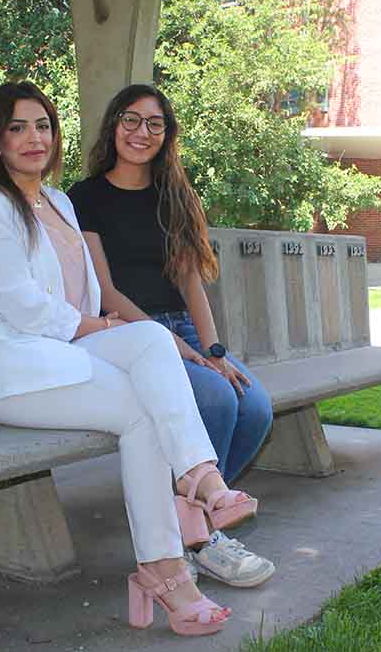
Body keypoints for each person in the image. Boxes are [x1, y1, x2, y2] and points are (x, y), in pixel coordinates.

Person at [0, 81, 258, 636]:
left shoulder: (60, 202)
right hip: (12, 372)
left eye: (42, 125)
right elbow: (23, 306)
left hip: (65, 355)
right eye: (17, 127)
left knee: (151, 343)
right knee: (141, 403)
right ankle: (174, 555)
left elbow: (88, 289)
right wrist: (98, 326)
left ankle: (194, 491)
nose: (33, 138)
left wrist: (106, 325)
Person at [68, 83, 275, 589]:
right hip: (129, 334)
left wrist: (213, 350)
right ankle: (203, 541)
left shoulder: (175, 194)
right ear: (114, 125)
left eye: (154, 124)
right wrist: (178, 348)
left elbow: (189, 282)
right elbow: (106, 290)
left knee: (255, 406)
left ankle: (194, 524)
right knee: (217, 402)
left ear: (167, 134)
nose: (142, 132)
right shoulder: (85, 197)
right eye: (131, 120)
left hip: (179, 326)